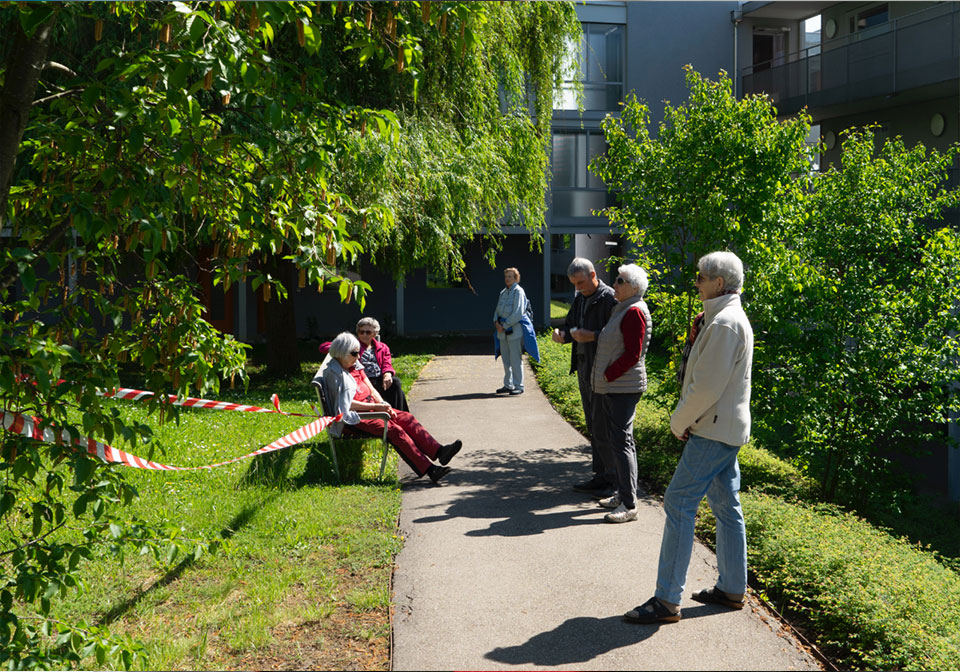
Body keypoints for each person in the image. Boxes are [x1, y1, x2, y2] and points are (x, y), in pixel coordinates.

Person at [624, 251, 754, 624]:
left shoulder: (725, 323)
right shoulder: (724, 318)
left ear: (718, 283)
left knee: (678, 503)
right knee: (727, 507)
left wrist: (678, 421)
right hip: (723, 427)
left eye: (700, 277)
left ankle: (666, 600)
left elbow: (704, 388)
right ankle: (731, 588)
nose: (695, 282)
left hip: (712, 429)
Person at [321, 332, 462, 484]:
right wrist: (377, 408)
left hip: (372, 409)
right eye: (355, 353)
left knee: (407, 418)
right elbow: (345, 406)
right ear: (341, 353)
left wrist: (384, 405)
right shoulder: (334, 374)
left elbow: (371, 389)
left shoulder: (353, 365)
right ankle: (430, 470)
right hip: (354, 418)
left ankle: (439, 451)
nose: (358, 356)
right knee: (395, 431)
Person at [590, 264, 652, 524]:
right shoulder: (624, 307)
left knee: (622, 443)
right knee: (621, 442)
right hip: (617, 386)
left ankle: (629, 504)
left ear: (634, 288)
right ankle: (623, 493)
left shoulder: (634, 311)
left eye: (620, 280)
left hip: (623, 388)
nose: (614, 284)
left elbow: (632, 354)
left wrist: (608, 375)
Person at [551, 258, 617, 496]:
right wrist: (563, 334)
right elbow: (570, 326)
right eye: (574, 284)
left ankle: (612, 479)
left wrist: (594, 336)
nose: (577, 287)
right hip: (584, 369)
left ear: (592, 274)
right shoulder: (580, 297)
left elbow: (618, 336)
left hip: (603, 372)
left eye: (580, 282)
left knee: (603, 426)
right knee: (593, 424)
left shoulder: (610, 298)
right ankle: (601, 475)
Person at [318, 318, 409, 413]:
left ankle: (399, 413)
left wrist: (387, 374)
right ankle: (398, 413)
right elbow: (323, 347)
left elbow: (387, 363)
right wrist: (342, 348)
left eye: (368, 332)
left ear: (375, 333)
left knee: (395, 383)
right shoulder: (354, 346)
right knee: (395, 389)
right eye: (361, 332)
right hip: (365, 380)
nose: (364, 335)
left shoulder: (383, 347)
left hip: (379, 379)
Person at [493, 267, 529, 396]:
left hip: (514, 331)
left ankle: (519, 385)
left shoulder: (518, 292)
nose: (507, 279)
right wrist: (496, 323)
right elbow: (497, 310)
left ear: (516, 278)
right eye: (506, 276)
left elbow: (518, 312)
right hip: (501, 332)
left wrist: (506, 325)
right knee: (506, 360)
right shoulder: (503, 292)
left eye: (510, 276)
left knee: (515, 359)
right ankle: (508, 385)